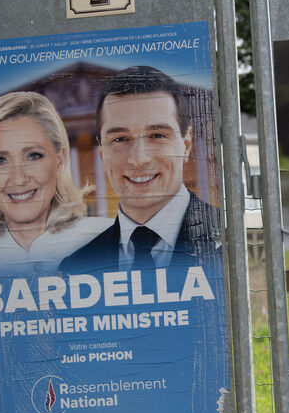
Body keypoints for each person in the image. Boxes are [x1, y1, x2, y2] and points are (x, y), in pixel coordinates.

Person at [59, 65, 219, 273]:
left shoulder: (231, 241)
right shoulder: (74, 268)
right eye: (120, 139)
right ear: (102, 154)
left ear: (186, 145)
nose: (139, 159)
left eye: (157, 135)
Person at [0, 91, 111, 276]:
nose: (18, 179)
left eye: (33, 156)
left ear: (60, 159)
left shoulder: (109, 241)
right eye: (0, 160)